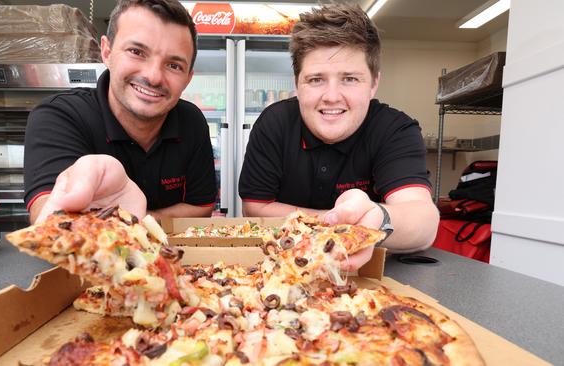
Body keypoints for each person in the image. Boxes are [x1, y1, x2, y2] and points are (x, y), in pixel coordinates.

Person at [239, 4, 439, 270]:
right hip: (279, 271)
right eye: (316, 80)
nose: (331, 96)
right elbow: (255, 208)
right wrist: (340, 223)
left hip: (372, 284)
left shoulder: (394, 129)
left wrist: (375, 218)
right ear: (297, 83)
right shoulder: (274, 123)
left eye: (350, 79)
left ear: (374, 83)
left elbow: (423, 222)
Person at [24, 0, 216, 224]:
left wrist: (136, 220)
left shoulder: (191, 121)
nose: (154, 77)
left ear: (188, 78)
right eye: (137, 51)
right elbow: (49, 219)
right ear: (106, 51)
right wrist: (132, 223)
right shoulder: (60, 116)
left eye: (174, 65)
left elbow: (200, 207)